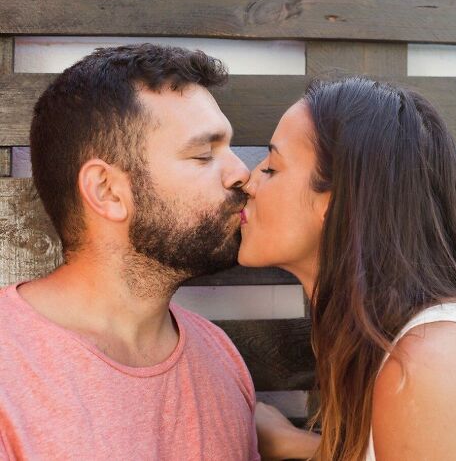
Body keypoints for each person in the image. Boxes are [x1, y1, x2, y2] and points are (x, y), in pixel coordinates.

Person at [241, 77, 456, 460]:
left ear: (337, 200)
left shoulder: (432, 365)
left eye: (272, 168)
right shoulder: (394, 345)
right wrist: (297, 445)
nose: (248, 181)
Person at [0, 43, 312, 460]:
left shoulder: (220, 360)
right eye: (204, 155)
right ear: (107, 191)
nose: (242, 173)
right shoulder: (11, 367)